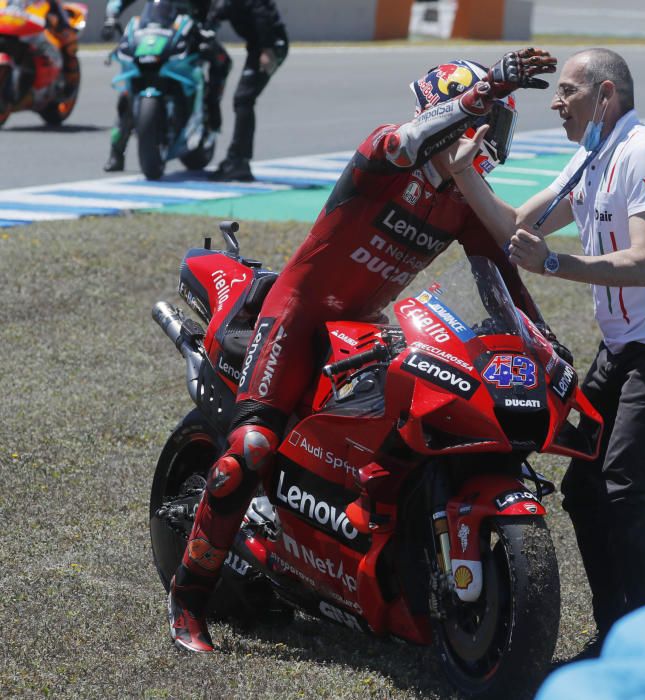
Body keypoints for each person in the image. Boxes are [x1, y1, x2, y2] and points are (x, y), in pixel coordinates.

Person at [165, 48, 558, 653]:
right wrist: (486, 89)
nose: (489, 136)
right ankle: (189, 598)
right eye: (483, 121)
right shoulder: (383, 155)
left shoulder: (462, 200)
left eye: (496, 123)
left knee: (406, 418)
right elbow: (408, 140)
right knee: (247, 450)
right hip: (295, 317)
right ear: (449, 116)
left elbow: (501, 282)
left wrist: (541, 343)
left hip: (362, 327)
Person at [445, 48, 645, 658]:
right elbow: (519, 226)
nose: (556, 102)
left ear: (607, 96)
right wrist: (465, 175)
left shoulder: (644, 152)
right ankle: (614, 632)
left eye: (568, 90)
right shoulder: (592, 156)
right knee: (585, 490)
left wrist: (556, 265)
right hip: (622, 350)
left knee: (623, 489)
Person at [101, 0, 231, 172]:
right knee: (131, 83)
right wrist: (112, 16)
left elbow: (219, 6)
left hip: (193, 34)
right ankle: (117, 150)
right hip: (155, 36)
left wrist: (211, 25)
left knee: (222, 61)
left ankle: (212, 111)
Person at [205, 0, 288, 182]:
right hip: (258, 46)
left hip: (271, 46)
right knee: (243, 99)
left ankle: (239, 162)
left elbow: (262, 13)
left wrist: (267, 49)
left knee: (243, 99)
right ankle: (237, 160)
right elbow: (217, 12)